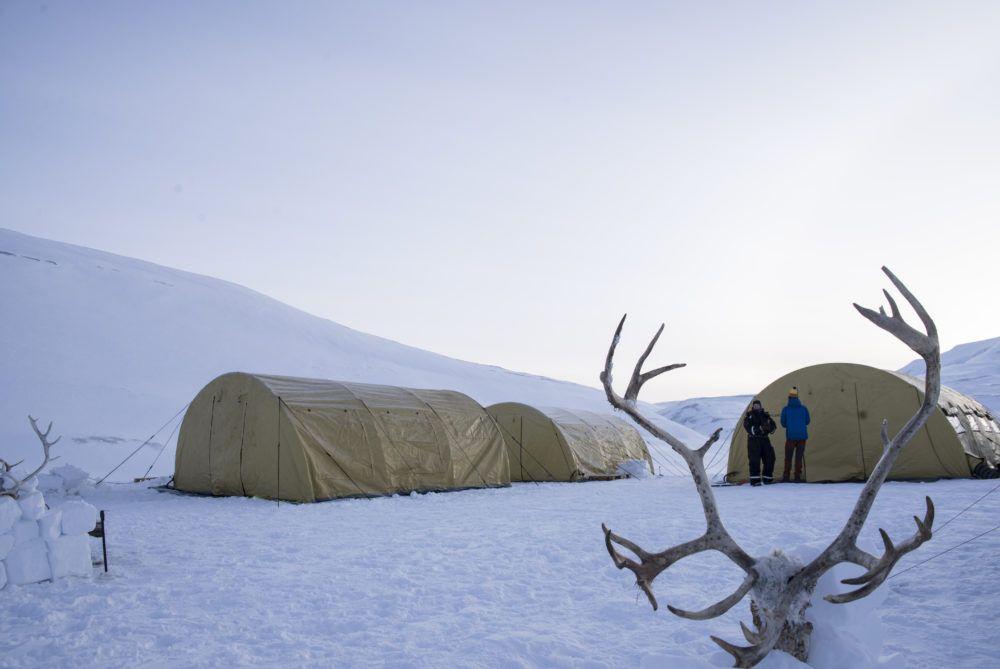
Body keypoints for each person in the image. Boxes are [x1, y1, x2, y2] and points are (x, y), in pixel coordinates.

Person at [742, 399, 777, 486]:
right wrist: (760, 429)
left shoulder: (765, 415)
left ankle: (767, 479)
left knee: (770, 458)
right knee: (754, 461)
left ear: (760, 406)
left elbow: (774, 427)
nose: (756, 407)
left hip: (765, 439)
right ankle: (755, 481)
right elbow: (749, 428)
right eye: (755, 405)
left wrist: (770, 428)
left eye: (758, 405)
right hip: (754, 440)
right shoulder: (749, 416)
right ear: (753, 406)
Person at [780, 387, 810, 482]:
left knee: (788, 457)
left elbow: (783, 424)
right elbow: (807, 421)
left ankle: (786, 476)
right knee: (799, 457)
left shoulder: (786, 409)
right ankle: (797, 476)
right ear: (798, 398)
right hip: (802, 437)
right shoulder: (804, 408)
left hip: (791, 437)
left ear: (789, 398)